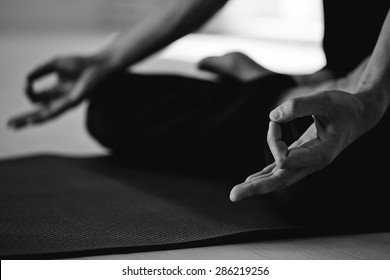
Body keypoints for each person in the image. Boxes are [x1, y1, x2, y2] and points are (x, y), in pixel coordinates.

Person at [8, 0, 390, 226]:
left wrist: (368, 96)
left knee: (312, 191)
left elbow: (369, 90)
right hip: (339, 86)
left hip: (374, 98)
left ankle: (270, 91)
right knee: (111, 106)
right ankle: (278, 95)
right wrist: (105, 58)